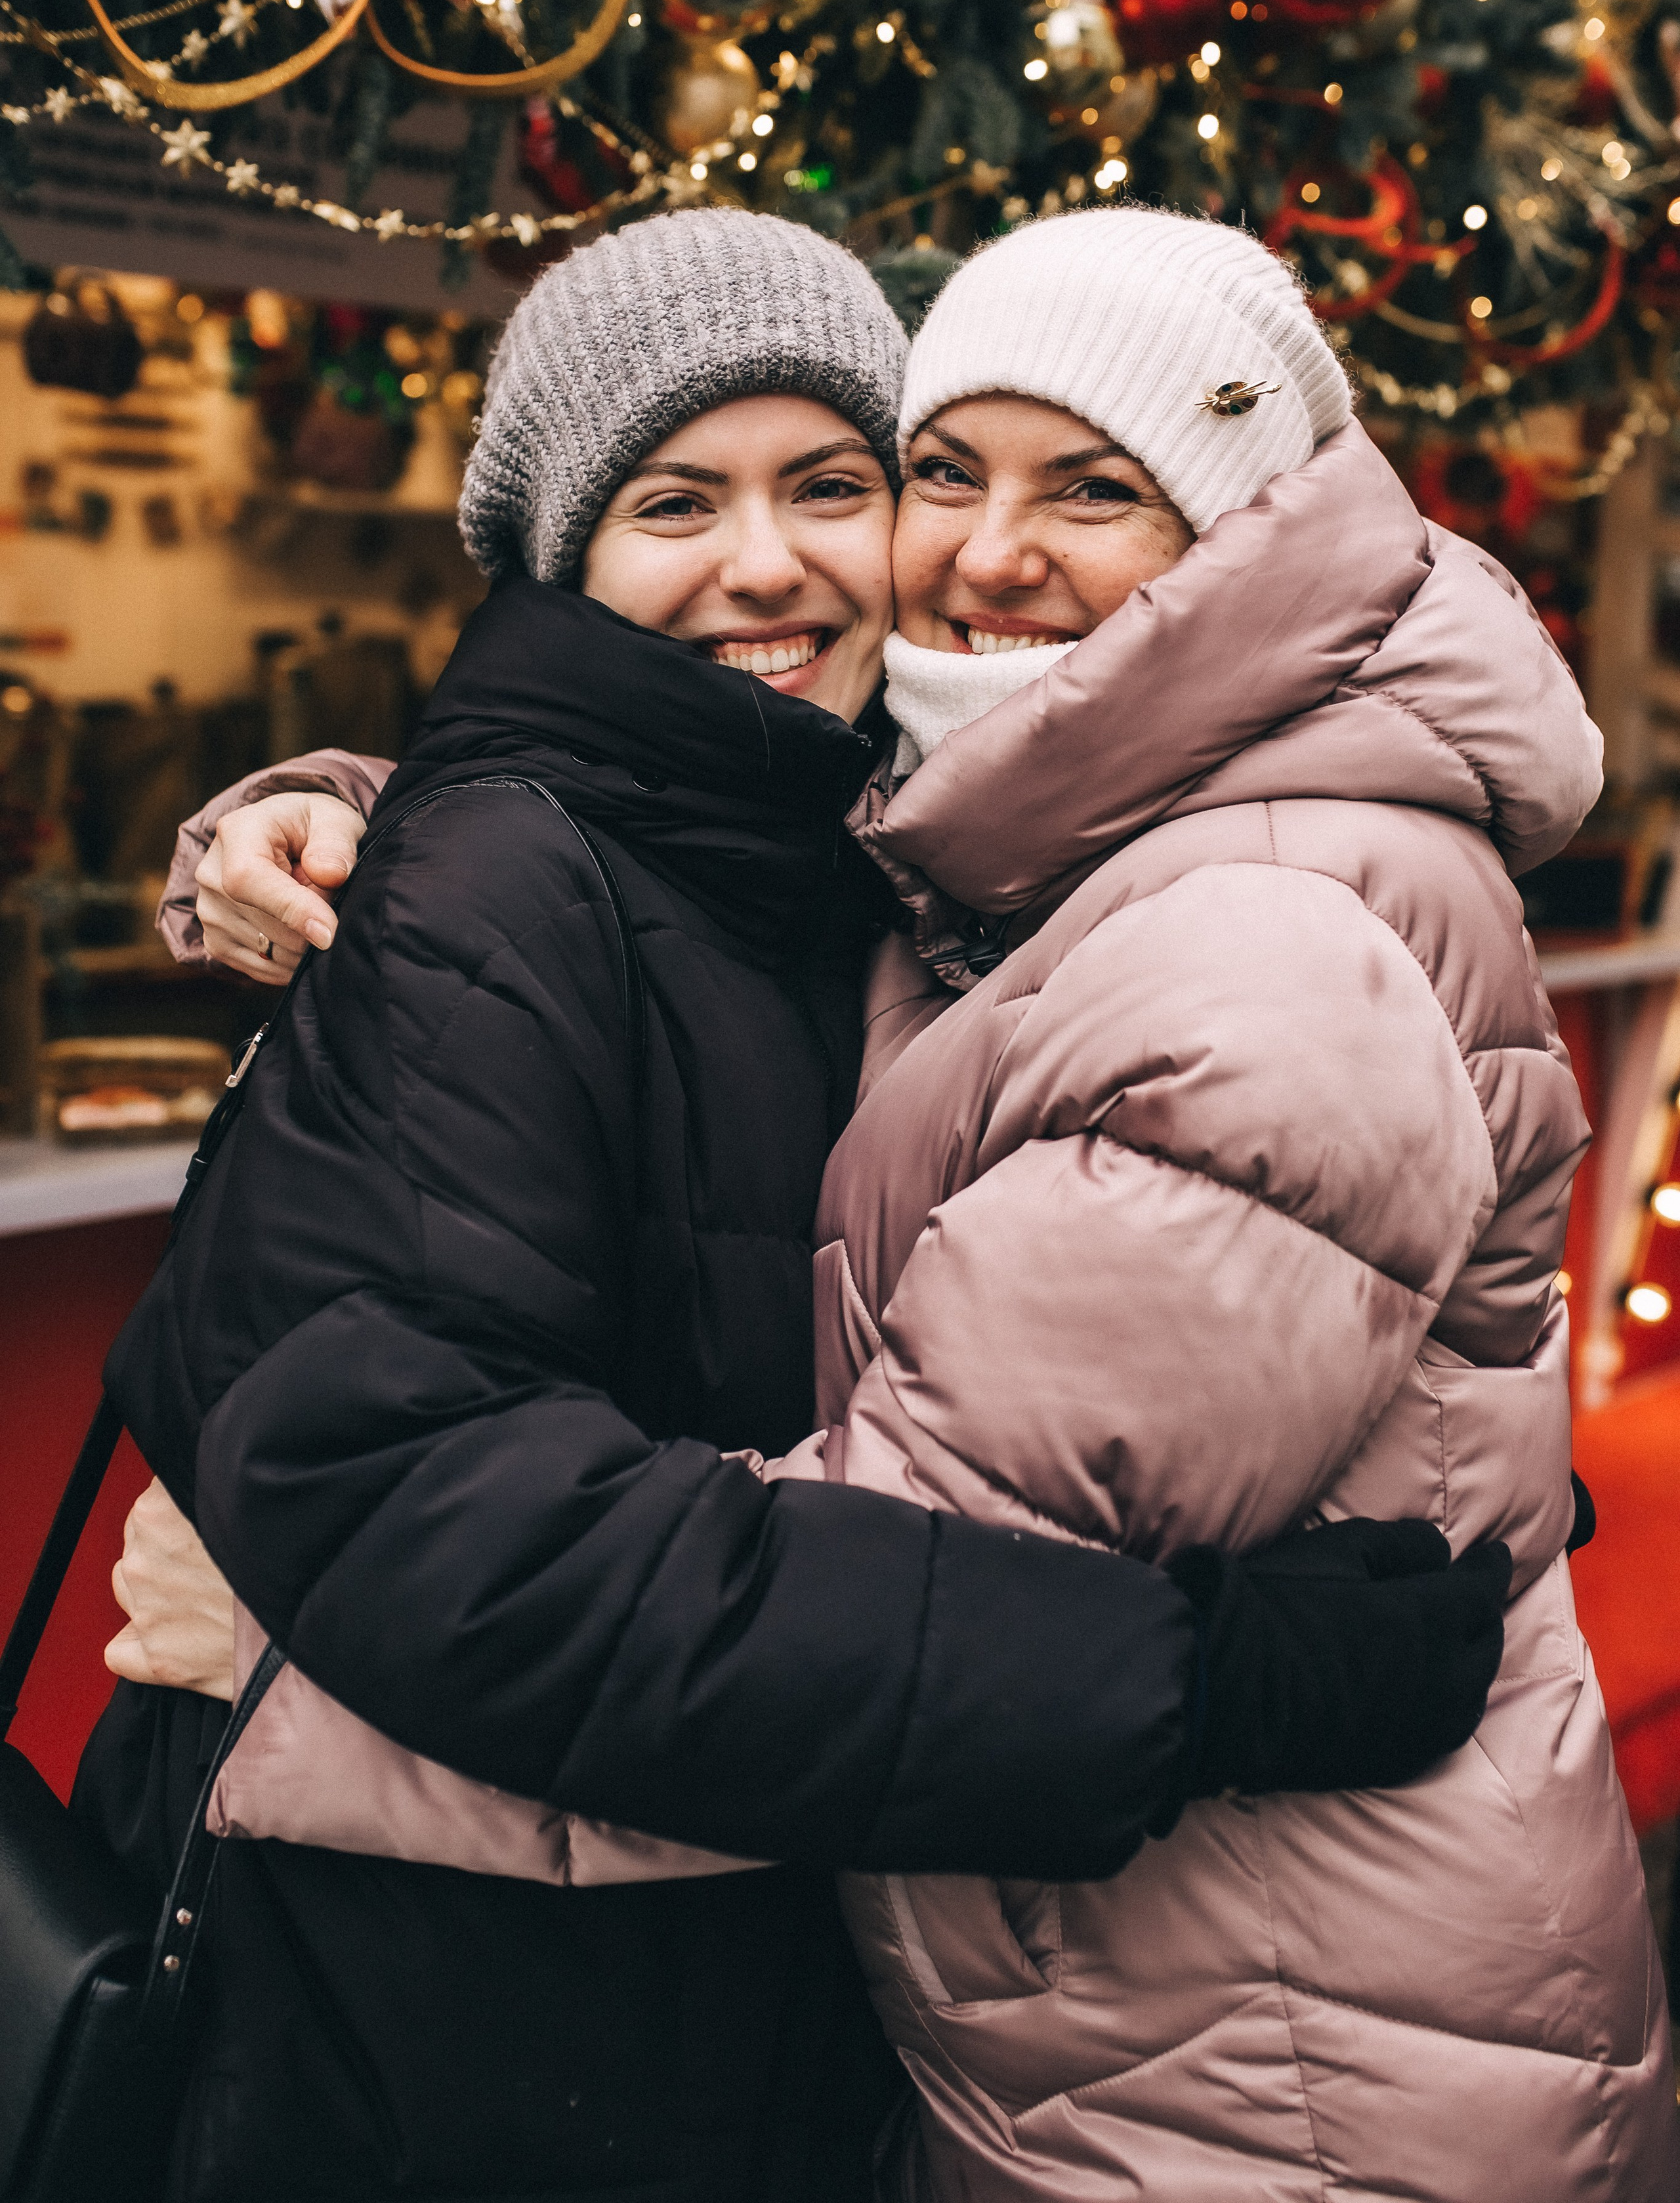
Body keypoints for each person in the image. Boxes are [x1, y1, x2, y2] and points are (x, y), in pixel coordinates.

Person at [96, 209, 1513, 2203]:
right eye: (676, 500)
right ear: (560, 556)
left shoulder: (852, 857)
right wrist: (1196, 1678)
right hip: (431, 2009)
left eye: (834, 483)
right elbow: (445, 1522)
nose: (768, 564)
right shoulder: (492, 887)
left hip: (692, 1958)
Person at [804, 207, 1677, 2199]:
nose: (987, 551)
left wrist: (318, 1672)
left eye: (1091, 489)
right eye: (948, 470)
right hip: (1178, 2025)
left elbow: (894, 1620)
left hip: (1273, 2078)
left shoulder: (1265, 940)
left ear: (1234, 538)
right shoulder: (1050, 846)